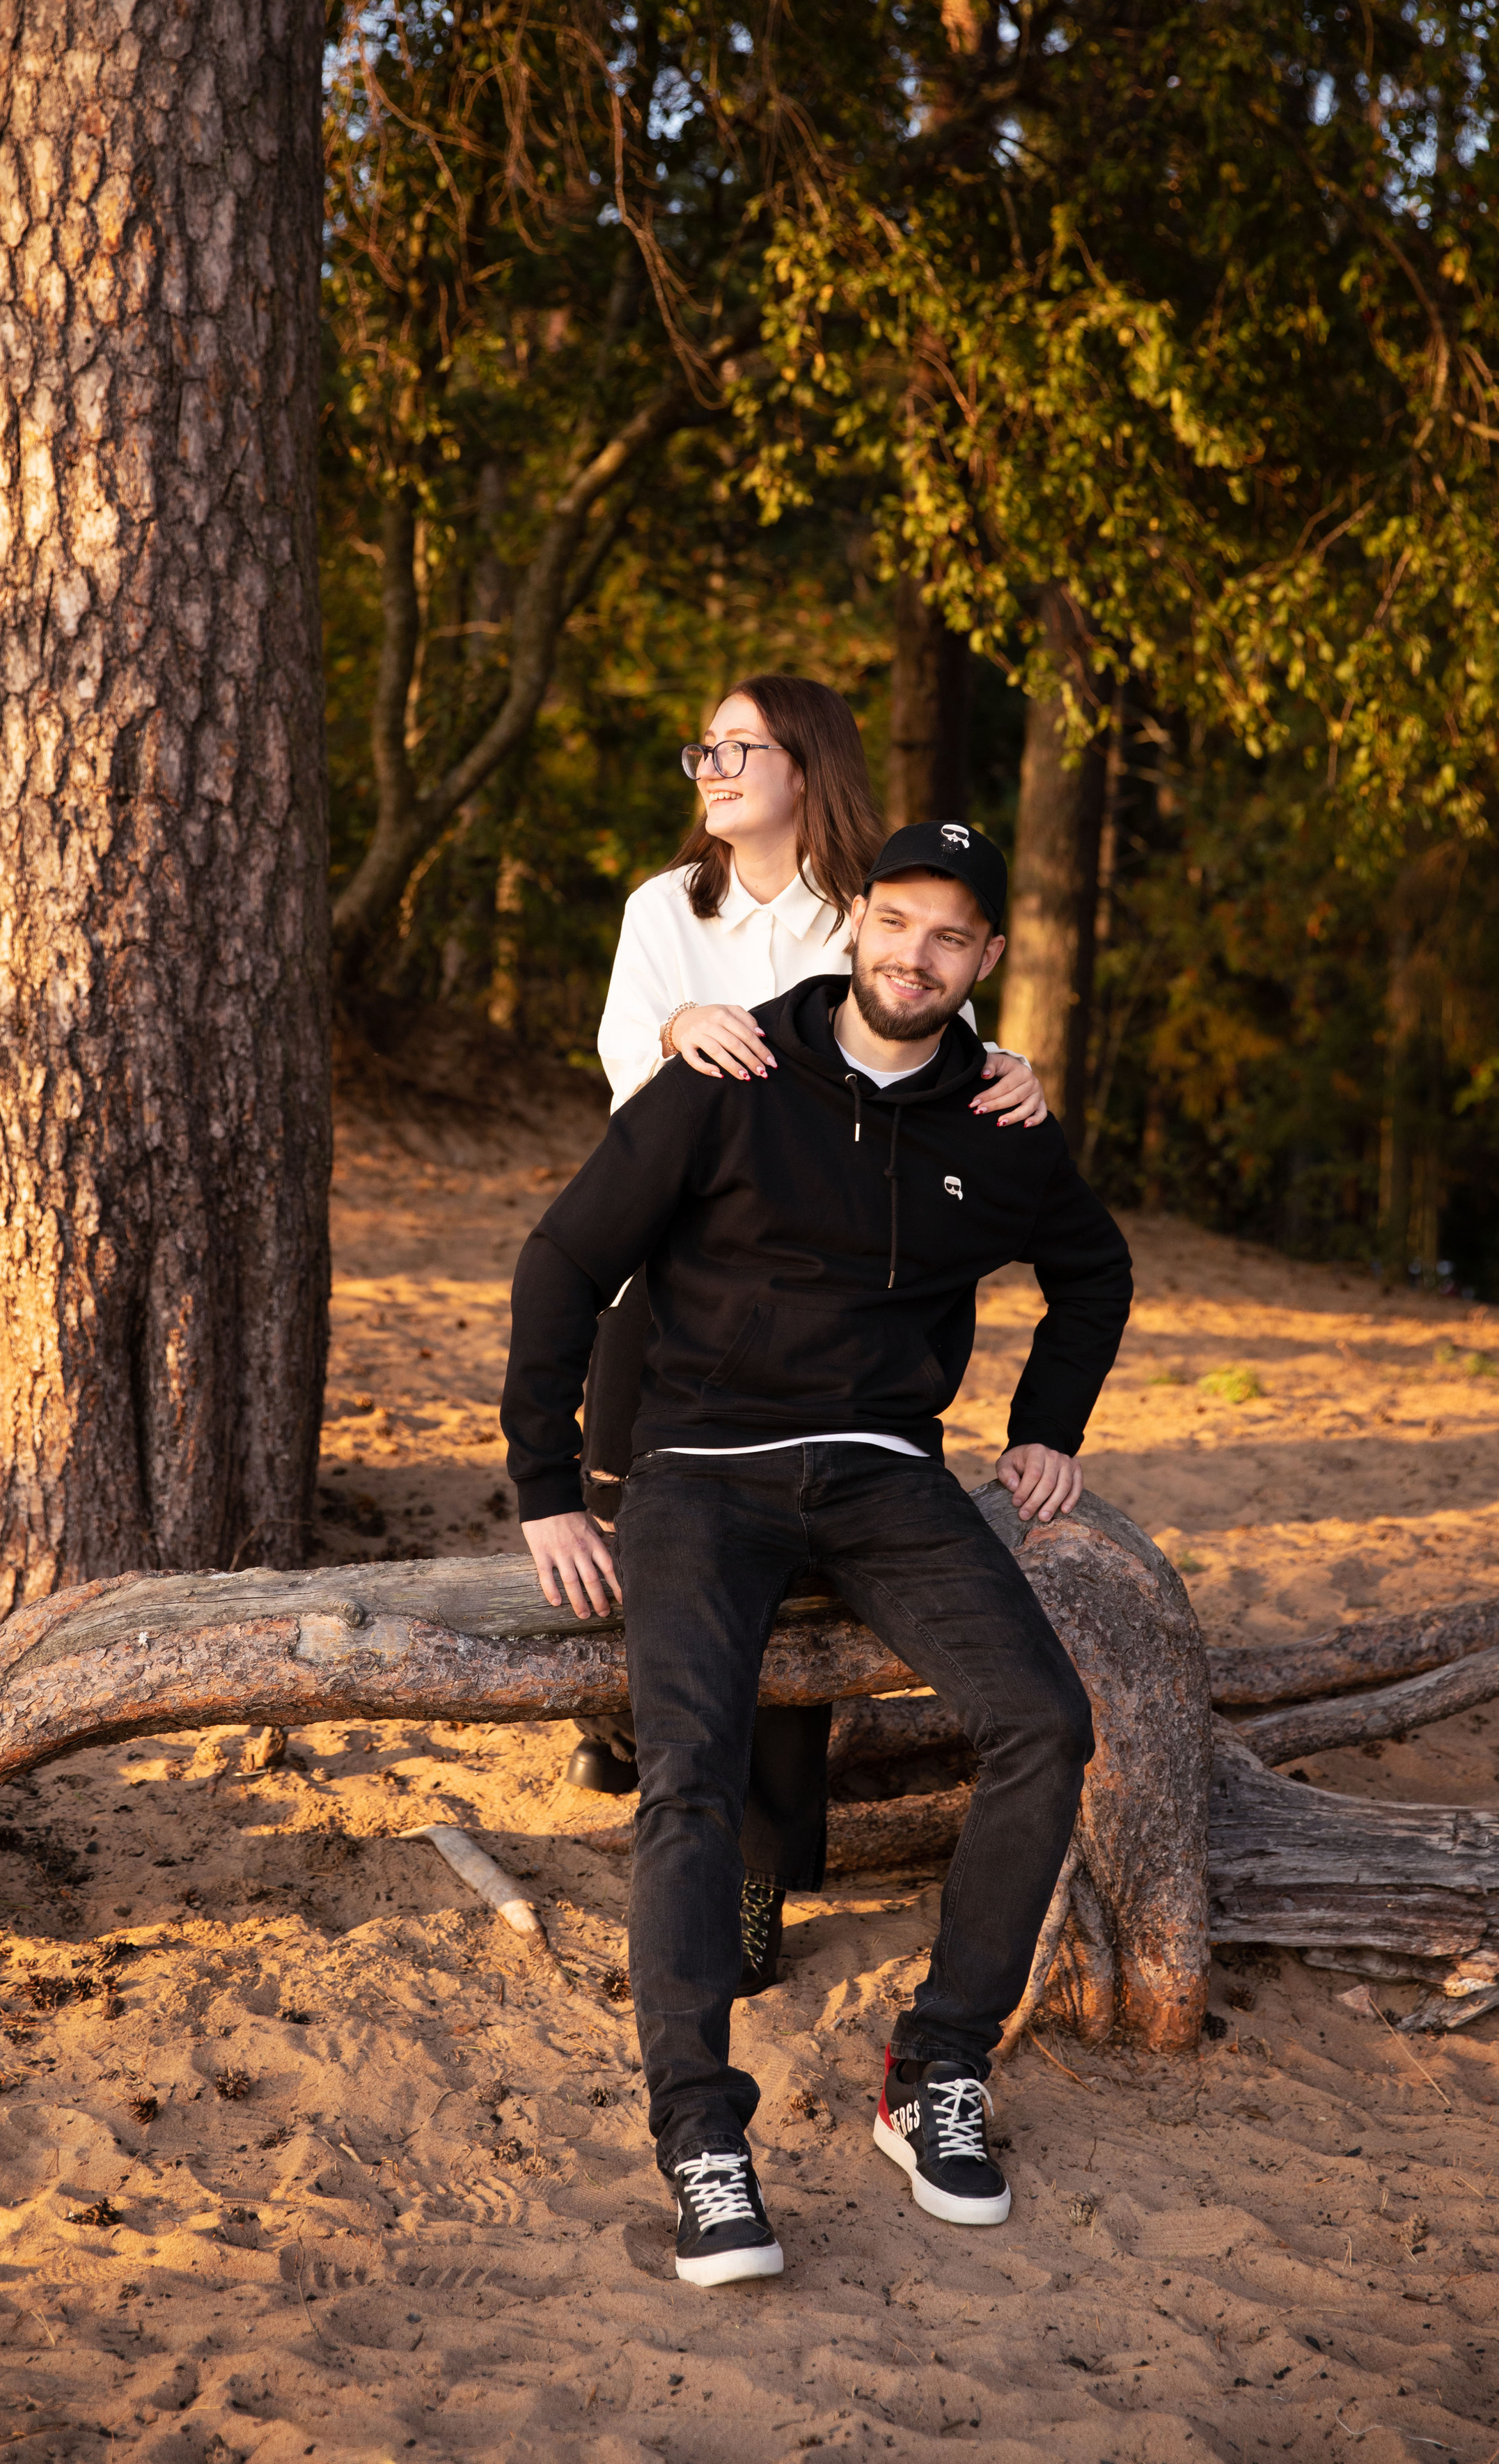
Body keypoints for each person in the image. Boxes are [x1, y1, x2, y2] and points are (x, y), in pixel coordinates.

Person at [501, 820, 1132, 2287]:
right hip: (700, 1474)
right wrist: (546, 1492)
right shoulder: (729, 1075)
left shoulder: (996, 1115)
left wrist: (1047, 1426)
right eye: (896, 921)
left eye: (950, 937)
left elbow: (1093, 1272)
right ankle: (701, 2140)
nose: (915, 955)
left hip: (886, 1478)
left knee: (1044, 1723)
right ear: (859, 925)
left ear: (982, 962)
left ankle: (934, 2070)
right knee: (689, 1771)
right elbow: (562, 1259)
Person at [570, 675, 1045, 2002]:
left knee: (792, 1572)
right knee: (634, 1530)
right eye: (700, 751)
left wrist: (1017, 1072)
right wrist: (678, 1029)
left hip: (823, 1317)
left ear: (806, 765)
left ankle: (757, 1875)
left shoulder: (868, 919)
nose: (709, 768)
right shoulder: (667, 911)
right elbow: (625, 1073)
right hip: (671, 1266)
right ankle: (619, 1723)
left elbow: (927, 1047)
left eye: (737, 748)